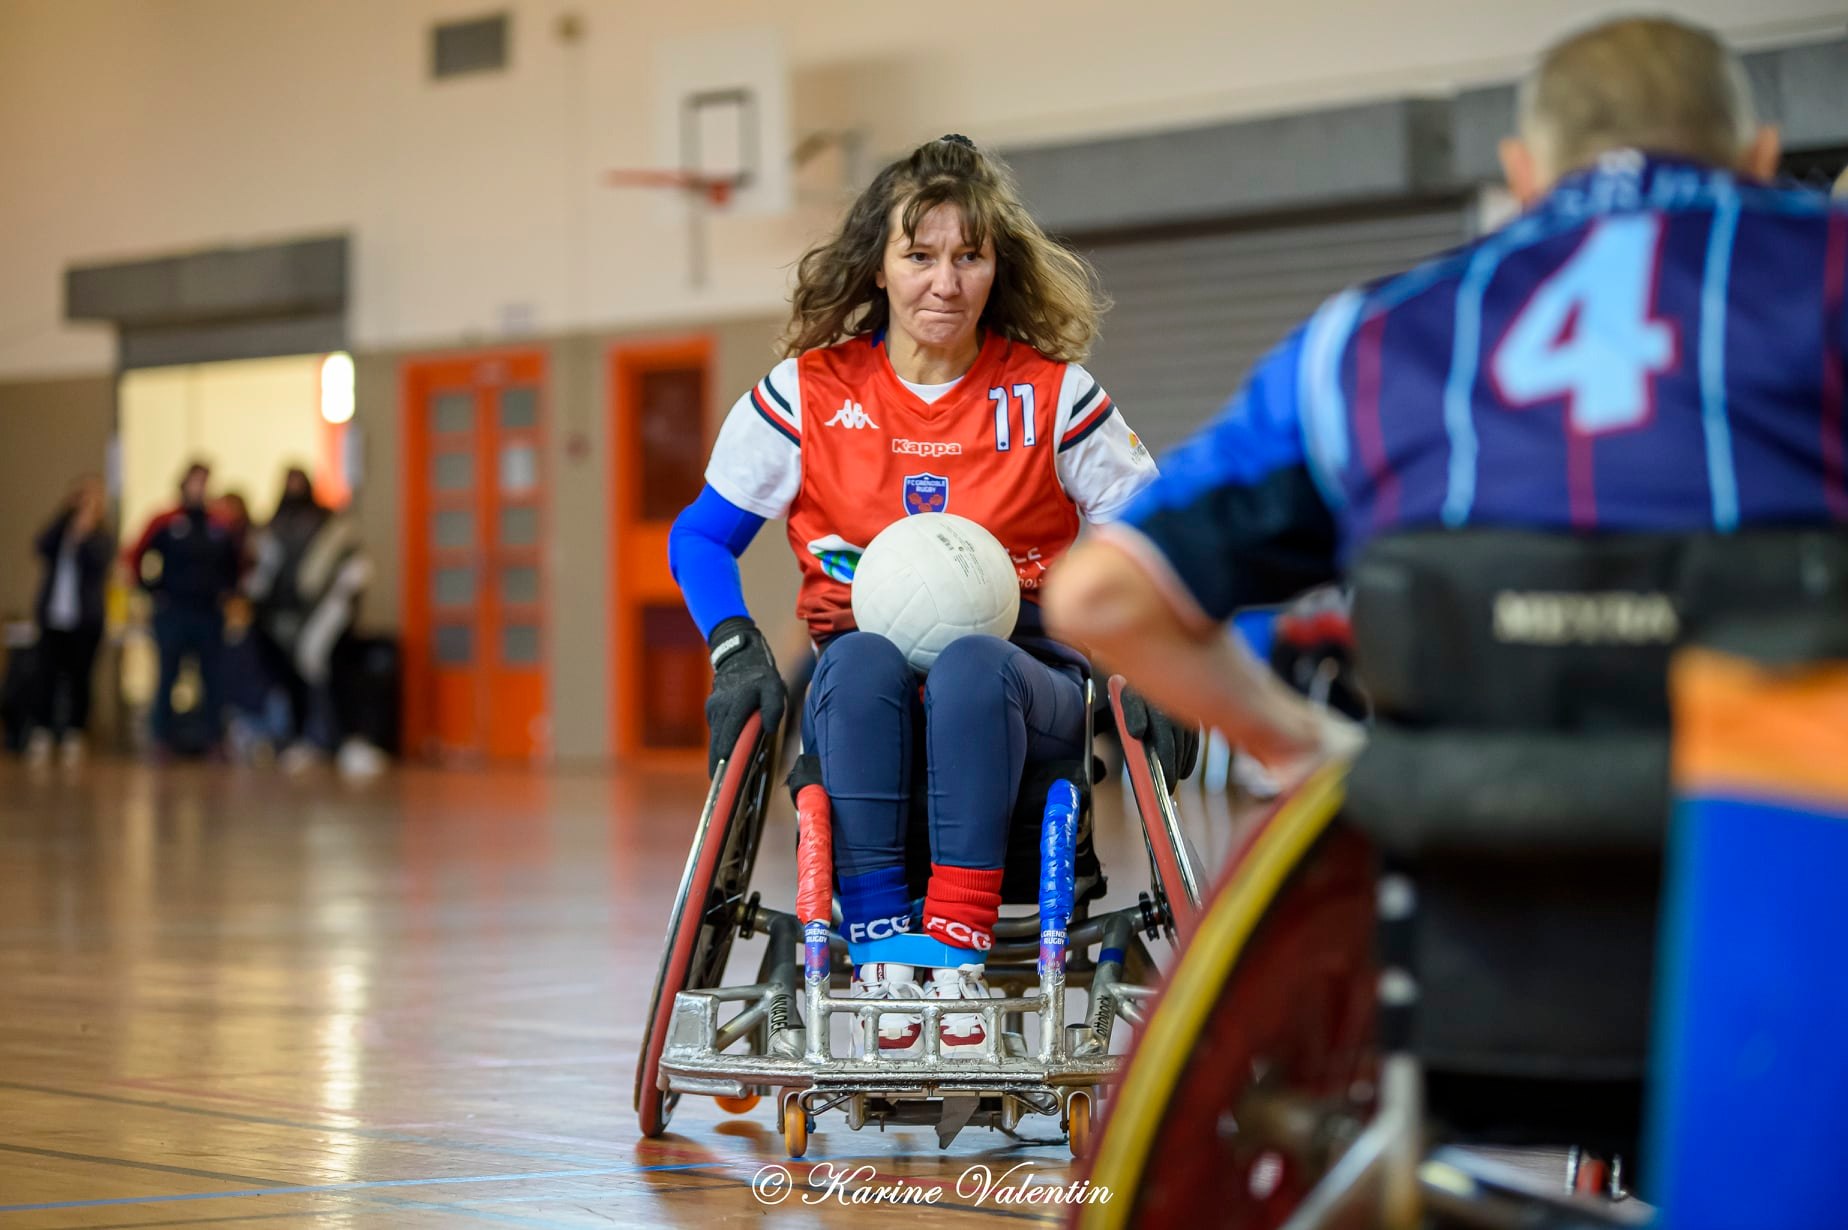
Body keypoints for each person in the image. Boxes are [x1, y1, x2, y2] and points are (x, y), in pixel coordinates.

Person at [1044, 15, 1844, 1222]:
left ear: (1521, 174)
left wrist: (1303, 749)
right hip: (1794, 962)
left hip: (1480, 989)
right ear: (1760, 155)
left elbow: (1096, 594)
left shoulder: (1371, 342)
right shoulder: (1824, 267)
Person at [669, 134, 1171, 1058]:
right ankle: (883, 958)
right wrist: (733, 642)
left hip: (1029, 673)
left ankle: (958, 952)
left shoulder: (1053, 397)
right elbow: (700, 534)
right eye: (920, 255)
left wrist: (1163, 666)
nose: (945, 281)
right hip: (861, 675)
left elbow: (1161, 531)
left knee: (979, 661)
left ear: (996, 267)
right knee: (857, 658)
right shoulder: (807, 395)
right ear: (879, 265)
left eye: (969, 256)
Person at [245, 467, 383, 778]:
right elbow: (264, 574)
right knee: (293, 680)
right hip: (283, 619)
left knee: (330, 675)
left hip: (324, 617)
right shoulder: (275, 527)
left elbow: (350, 566)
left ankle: (341, 739)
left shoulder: (328, 525)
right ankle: (303, 738)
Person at [125, 461, 243, 758]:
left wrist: (228, 592)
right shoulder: (165, 520)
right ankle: (161, 738)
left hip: (208, 613)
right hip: (173, 612)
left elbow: (236, 564)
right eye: (195, 482)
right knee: (168, 676)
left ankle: (214, 739)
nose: (199, 488)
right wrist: (151, 590)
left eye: (204, 482)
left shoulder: (219, 524)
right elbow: (134, 555)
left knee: (213, 678)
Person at [25, 475, 113, 765]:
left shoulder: (102, 535)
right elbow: (40, 546)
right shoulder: (61, 531)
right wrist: (66, 517)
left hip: (84, 620)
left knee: (79, 678)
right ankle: (42, 730)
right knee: (45, 675)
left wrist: (85, 535)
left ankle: (75, 732)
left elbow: (98, 564)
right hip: (53, 617)